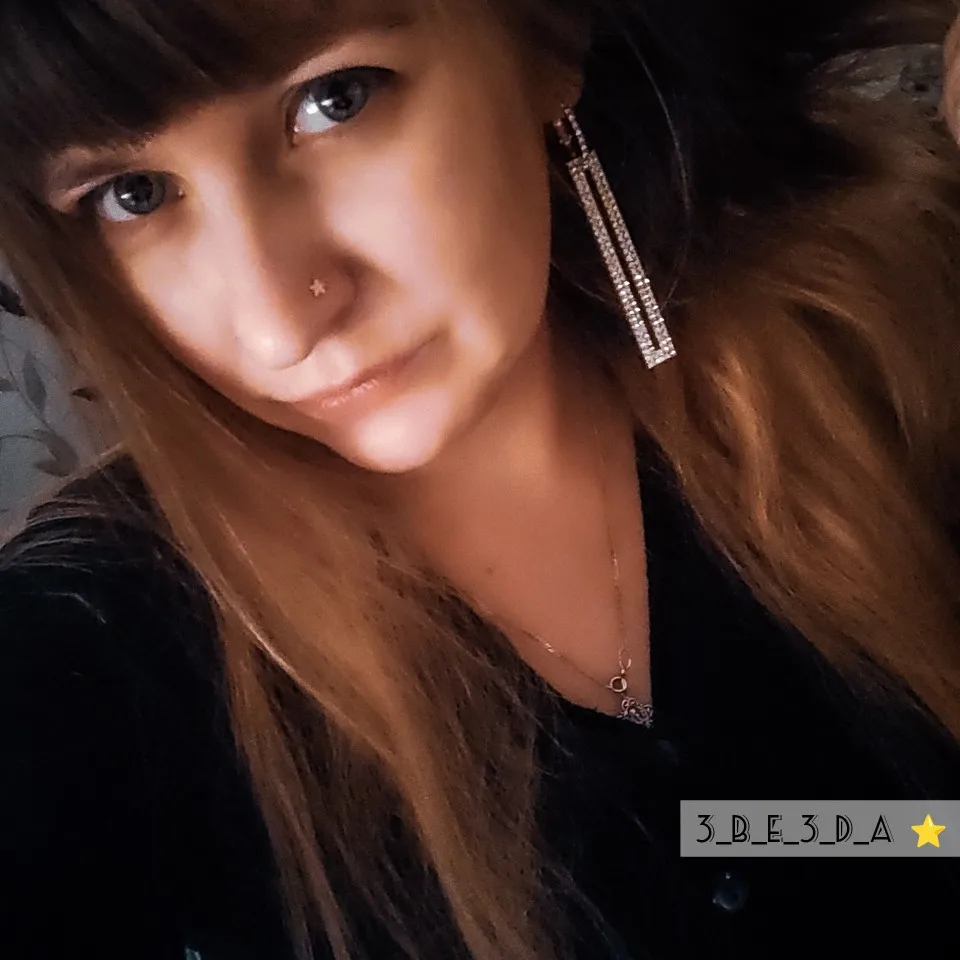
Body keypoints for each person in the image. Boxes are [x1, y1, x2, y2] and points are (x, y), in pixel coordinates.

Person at [2, 0, 960, 958]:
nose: (278, 324)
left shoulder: (875, 357)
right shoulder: (91, 668)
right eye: (132, 195)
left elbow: (877, 833)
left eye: (335, 100)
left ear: (545, 42)